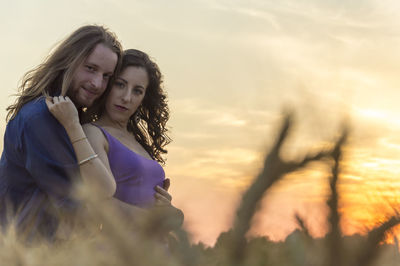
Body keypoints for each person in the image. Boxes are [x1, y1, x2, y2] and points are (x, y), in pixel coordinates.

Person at [0, 25, 123, 240]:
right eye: (91, 68)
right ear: (69, 61)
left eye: (106, 76)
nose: (97, 83)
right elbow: (76, 206)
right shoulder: (42, 119)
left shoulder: (67, 117)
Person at [46, 49, 183, 233]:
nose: (126, 97)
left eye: (137, 91)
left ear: (143, 98)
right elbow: (97, 199)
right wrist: (161, 219)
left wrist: (170, 210)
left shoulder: (139, 143)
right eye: (120, 84)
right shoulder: (93, 132)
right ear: (107, 85)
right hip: (119, 253)